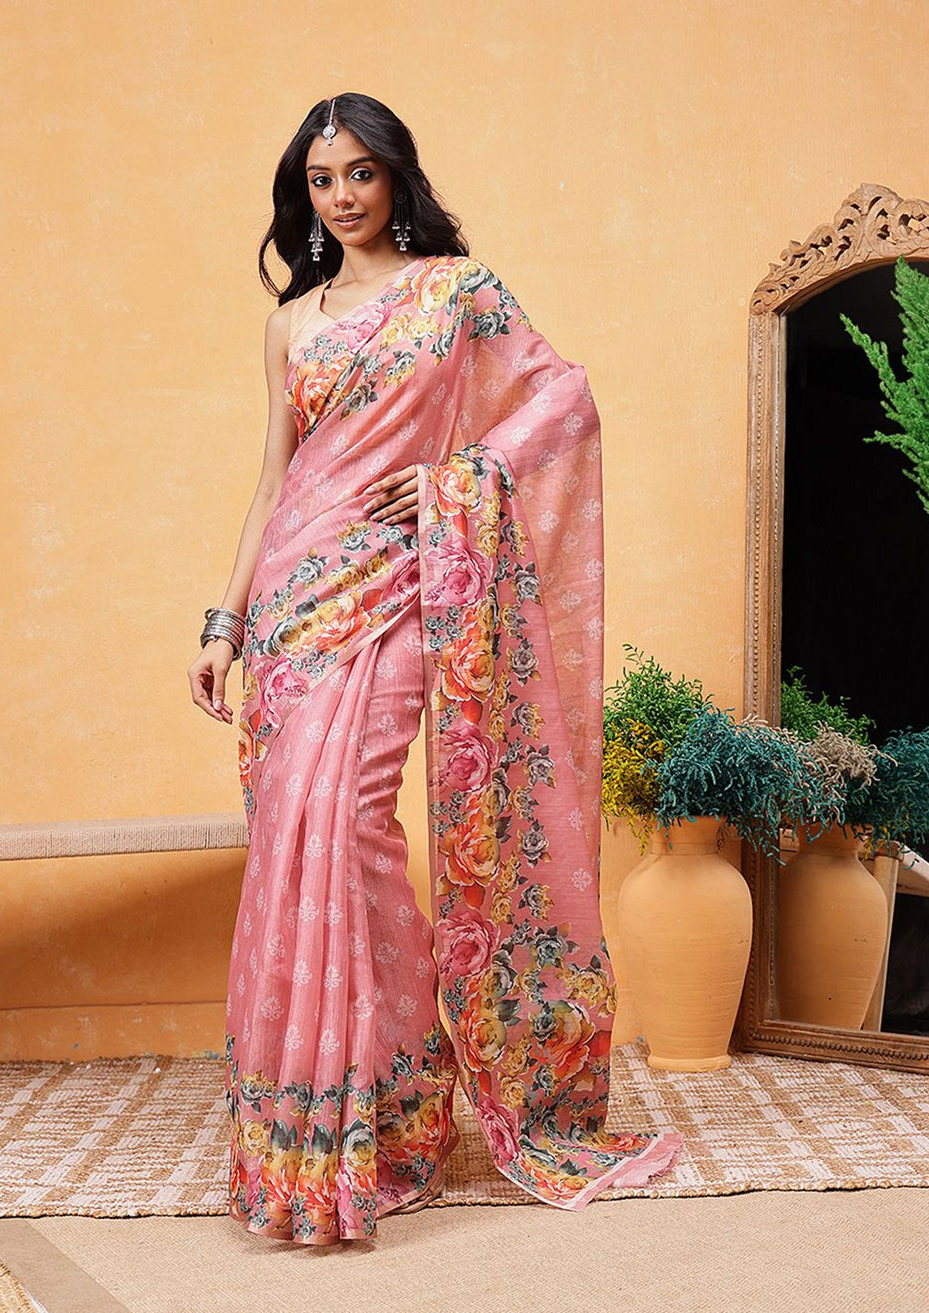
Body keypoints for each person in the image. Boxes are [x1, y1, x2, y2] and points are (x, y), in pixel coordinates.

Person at [188, 91, 684, 1247]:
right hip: (295, 601)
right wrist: (224, 619)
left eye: (361, 173)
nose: (343, 196)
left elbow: (563, 395)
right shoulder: (292, 322)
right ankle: (326, 1112)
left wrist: (466, 470)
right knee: (291, 834)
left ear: (396, 176)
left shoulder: (455, 290)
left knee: (351, 820)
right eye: (322, 180)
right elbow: (275, 478)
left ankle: (395, 1111)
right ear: (302, 194)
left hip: (405, 585)